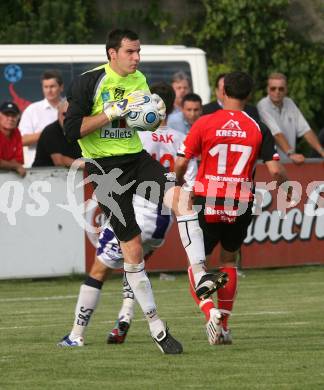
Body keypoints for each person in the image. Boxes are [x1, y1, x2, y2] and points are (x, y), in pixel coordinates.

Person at [60, 29, 185, 354]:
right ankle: (155, 328)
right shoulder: (89, 82)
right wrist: (111, 112)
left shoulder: (139, 79)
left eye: (138, 51)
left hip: (135, 160)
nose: (137, 58)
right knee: (132, 254)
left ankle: (198, 278)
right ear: (112, 53)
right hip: (104, 170)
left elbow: (140, 125)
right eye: (131, 52)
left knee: (108, 265)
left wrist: (148, 116)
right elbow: (72, 131)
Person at [175, 71, 291, 345]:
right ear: (249, 95)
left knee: (196, 264)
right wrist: (286, 186)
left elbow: (181, 161)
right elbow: (275, 170)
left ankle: (209, 312)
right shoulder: (258, 126)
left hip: (207, 199)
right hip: (240, 202)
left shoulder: (204, 122)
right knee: (229, 261)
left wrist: (179, 183)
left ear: (223, 91)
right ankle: (224, 327)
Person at [257, 72, 324, 163]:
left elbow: (306, 131)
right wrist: (291, 154)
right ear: (267, 90)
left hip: (289, 161)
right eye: (273, 88)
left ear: (286, 90)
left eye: (281, 89)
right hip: (270, 163)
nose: (277, 92)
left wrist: (322, 151)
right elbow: (276, 134)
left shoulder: (289, 103)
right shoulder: (262, 105)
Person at [19, 69, 64, 167]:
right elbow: (22, 140)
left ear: (61, 87)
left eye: (52, 86)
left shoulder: (69, 109)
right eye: (46, 87)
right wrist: (47, 133)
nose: (49, 90)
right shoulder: (32, 110)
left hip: (65, 166)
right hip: (37, 169)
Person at [32, 100, 82, 167]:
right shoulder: (50, 131)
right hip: (42, 175)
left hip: (70, 174)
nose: (67, 118)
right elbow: (59, 161)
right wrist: (88, 165)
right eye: (64, 114)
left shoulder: (80, 130)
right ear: (58, 112)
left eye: (71, 114)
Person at [0, 101, 26, 177]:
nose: (10, 118)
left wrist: (6, 164)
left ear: (18, 117)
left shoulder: (16, 132)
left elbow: (19, 160)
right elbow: (16, 165)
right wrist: (15, 166)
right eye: (6, 115)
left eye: (13, 116)